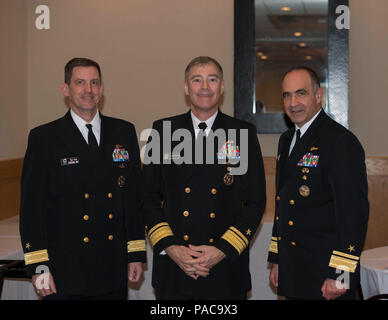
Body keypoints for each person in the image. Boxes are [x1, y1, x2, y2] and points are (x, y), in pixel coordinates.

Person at [19, 57, 146, 300]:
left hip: (112, 266)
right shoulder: (44, 138)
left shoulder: (123, 131)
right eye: (80, 83)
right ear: (66, 89)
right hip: (65, 270)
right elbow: (31, 209)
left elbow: (133, 199)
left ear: (102, 88)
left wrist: (136, 253)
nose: (88, 90)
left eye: (94, 83)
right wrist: (38, 267)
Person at [142, 56, 266, 299]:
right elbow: (148, 198)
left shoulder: (242, 133)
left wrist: (222, 250)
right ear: (186, 88)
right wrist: (171, 248)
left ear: (222, 87)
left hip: (225, 267)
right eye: (197, 80)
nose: (205, 87)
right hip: (175, 267)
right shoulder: (163, 131)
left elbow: (255, 201)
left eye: (212, 80)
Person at [268, 66, 369, 300]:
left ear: (318, 95)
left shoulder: (339, 141)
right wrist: (277, 259)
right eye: (287, 95)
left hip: (326, 275)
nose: (293, 102)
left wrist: (340, 274)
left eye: (301, 93)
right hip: (294, 269)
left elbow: (353, 214)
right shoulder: (287, 140)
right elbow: (283, 203)